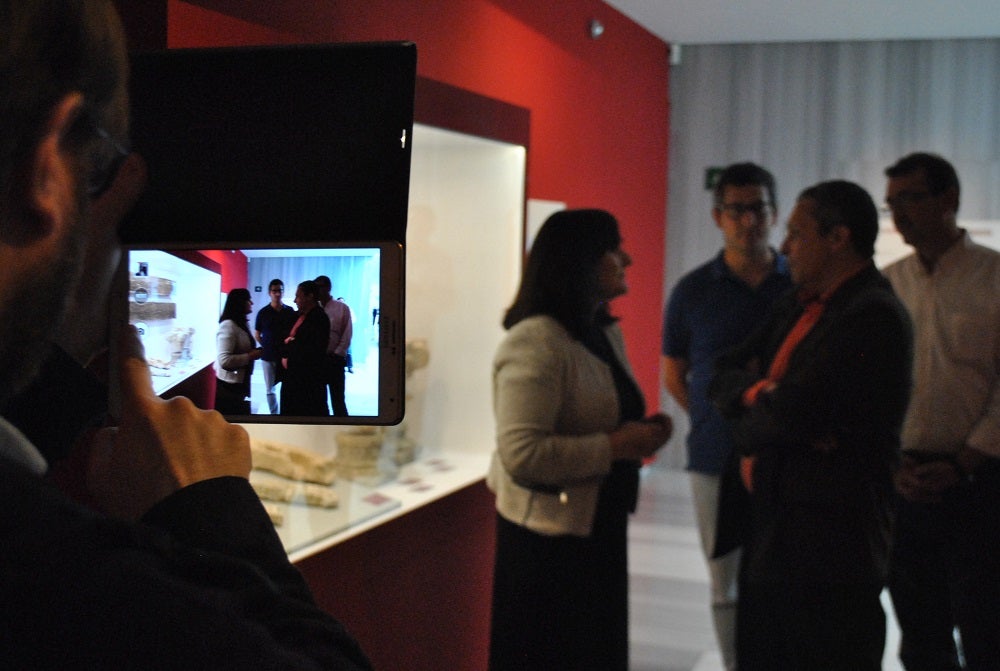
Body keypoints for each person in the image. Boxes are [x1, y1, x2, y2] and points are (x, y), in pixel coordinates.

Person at [0, 2, 372, 668]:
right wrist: (209, 508)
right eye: (94, 165)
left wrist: (50, 373)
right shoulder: (78, 590)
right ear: (47, 168)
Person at [709, 181, 913, 670]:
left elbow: (795, 413)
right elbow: (721, 373)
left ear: (837, 237)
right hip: (776, 533)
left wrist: (761, 413)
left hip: (830, 550)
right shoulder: (798, 302)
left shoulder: (873, 315)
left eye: (797, 234)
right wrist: (762, 394)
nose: (784, 247)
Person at [486, 209, 673, 671]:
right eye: (614, 249)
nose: (626, 259)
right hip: (549, 546)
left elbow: (606, 414)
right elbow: (522, 454)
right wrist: (617, 446)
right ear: (580, 262)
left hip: (595, 527)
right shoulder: (536, 341)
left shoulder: (600, 331)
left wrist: (643, 433)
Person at [660, 161, 791, 670]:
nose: (748, 220)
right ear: (718, 217)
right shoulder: (692, 291)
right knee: (725, 580)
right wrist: (718, 419)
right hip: (715, 457)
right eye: (736, 210)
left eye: (757, 208)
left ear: (774, 213)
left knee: (784, 576)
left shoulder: (798, 287)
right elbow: (675, 374)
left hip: (787, 455)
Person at [882, 152, 1000, 671]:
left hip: (981, 480)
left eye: (911, 198)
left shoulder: (994, 277)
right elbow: (873, 390)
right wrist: (894, 465)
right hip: (903, 481)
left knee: (986, 629)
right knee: (920, 632)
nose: (900, 214)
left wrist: (963, 464)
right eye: (892, 203)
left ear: (950, 199)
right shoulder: (886, 285)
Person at [280, 280, 330, 417]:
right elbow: (285, 339)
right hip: (293, 378)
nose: (295, 300)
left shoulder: (319, 318)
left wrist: (291, 344)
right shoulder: (298, 315)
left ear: (310, 296)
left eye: (298, 296)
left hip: (307, 382)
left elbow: (310, 348)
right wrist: (290, 343)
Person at [214, 288, 262, 414]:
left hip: (239, 383)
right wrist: (250, 356)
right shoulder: (228, 325)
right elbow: (224, 360)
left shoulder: (241, 323)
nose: (251, 303)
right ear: (240, 303)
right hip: (229, 387)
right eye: (248, 300)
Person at [254, 278, 295, 414]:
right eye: (274, 291)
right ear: (269, 293)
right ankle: (274, 414)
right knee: (270, 389)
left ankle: (286, 413)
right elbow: (257, 334)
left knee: (288, 386)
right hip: (268, 356)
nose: (277, 294)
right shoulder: (263, 312)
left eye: (280, 291)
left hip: (286, 356)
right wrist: (266, 345)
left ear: (283, 292)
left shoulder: (290, 311)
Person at [314, 274, 353, 416]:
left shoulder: (341, 308)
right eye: (316, 287)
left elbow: (346, 334)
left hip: (335, 361)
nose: (318, 290)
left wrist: (336, 354)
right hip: (317, 361)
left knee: (338, 402)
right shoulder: (313, 309)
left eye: (321, 287)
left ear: (329, 288)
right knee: (319, 402)